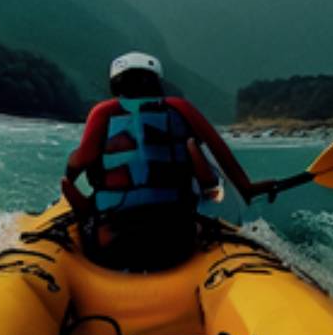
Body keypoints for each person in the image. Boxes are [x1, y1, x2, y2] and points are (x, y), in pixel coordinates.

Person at [63, 51, 272, 271]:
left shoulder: (103, 111)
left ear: (115, 83)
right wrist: (247, 188)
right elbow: (221, 154)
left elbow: (80, 161)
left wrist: (69, 173)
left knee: (96, 217)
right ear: (156, 81)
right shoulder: (179, 107)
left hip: (113, 243)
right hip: (176, 240)